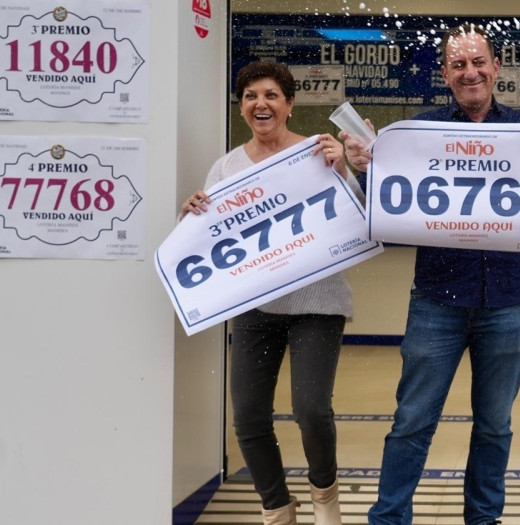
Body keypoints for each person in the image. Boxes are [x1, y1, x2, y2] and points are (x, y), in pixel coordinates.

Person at [341, 23, 520, 525]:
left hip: (506, 299)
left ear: (496, 67)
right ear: (446, 74)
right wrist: (365, 167)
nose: (470, 72)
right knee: (412, 420)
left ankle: (483, 518)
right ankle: (388, 519)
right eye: (459, 64)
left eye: (479, 62)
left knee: (495, 424)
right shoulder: (420, 131)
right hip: (436, 299)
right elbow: (387, 204)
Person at [181, 61, 358, 525]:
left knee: (312, 409)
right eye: (251, 97)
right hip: (256, 307)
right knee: (248, 417)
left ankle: (325, 497)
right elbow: (210, 239)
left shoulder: (320, 152)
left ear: (289, 104)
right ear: (242, 109)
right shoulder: (226, 168)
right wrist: (191, 216)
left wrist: (344, 170)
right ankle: (277, 508)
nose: (261, 104)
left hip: (317, 304)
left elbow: (357, 214)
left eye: (271, 95)